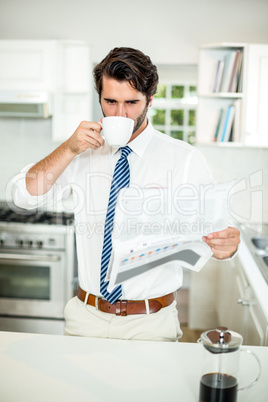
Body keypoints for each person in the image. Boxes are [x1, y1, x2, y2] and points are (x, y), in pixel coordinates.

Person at [13, 47, 240, 342]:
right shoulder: (80, 152)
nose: (120, 114)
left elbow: (215, 235)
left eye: (132, 102)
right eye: (110, 102)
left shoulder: (183, 158)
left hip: (151, 323)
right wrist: (68, 149)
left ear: (150, 99)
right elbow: (23, 196)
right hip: (86, 318)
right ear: (99, 98)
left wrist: (226, 246)